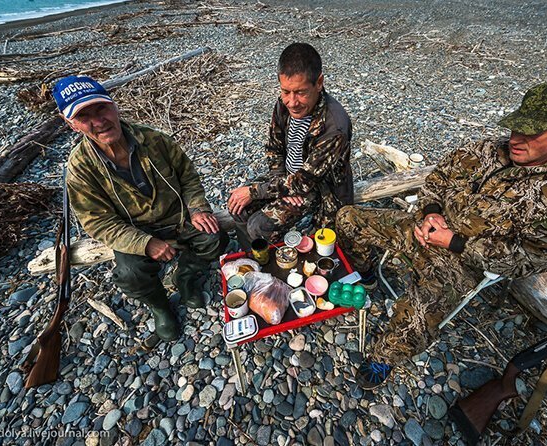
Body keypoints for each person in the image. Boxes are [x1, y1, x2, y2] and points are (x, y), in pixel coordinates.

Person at [336, 82, 547, 389]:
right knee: (347, 219)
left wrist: (455, 242)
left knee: (418, 316)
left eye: (532, 134)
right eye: (517, 128)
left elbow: (534, 259)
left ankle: (383, 358)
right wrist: (430, 211)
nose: (517, 139)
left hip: (462, 263)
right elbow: (438, 178)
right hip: (422, 229)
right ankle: (367, 273)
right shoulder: (486, 150)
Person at [53, 75, 227, 342]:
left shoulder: (154, 139)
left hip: (177, 216)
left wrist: (198, 208)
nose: (99, 122)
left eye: (101, 108)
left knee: (216, 238)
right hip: (134, 231)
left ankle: (185, 276)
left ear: (114, 105)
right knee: (130, 274)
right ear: (72, 124)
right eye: (85, 116)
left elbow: (188, 175)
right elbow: (98, 223)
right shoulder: (80, 169)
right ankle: (160, 306)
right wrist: (145, 243)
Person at [227, 42, 354, 248]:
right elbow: (274, 148)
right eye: (286, 91)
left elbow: (305, 182)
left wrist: (254, 191)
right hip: (289, 178)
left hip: (321, 188)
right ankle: (253, 256)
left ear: (319, 82)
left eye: (301, 92)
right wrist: (280, 185)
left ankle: (276, 259)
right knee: (237, 206)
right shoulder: (283, 104)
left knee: (259, 226)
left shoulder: (334, 127)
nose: (292, 102)